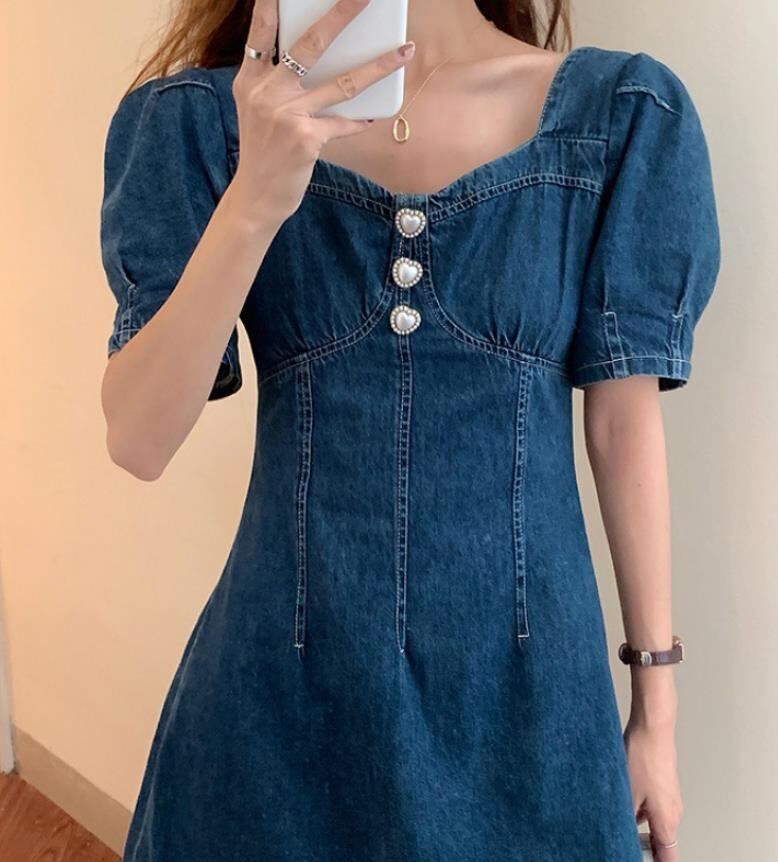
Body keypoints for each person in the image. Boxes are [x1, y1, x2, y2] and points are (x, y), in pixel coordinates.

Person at [99, 0, 720, 859]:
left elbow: (621, 427)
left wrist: (657, 714)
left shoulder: (621, 115)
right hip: (275, 707)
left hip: (532, 713)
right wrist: (253, 200)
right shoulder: (198, 121)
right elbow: (138, 440)